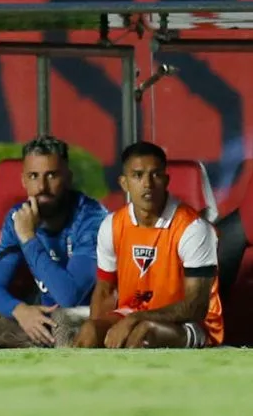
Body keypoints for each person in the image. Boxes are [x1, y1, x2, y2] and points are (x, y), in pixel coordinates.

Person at [0, 135, 108, 348]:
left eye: (52, 176)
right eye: (33, 176)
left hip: (91, 319)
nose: (42, 186)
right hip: (45, 320)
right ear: (23, 181)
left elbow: (70, 296)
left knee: (63, 319)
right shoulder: (18, 217)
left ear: (68, 178)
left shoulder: (91, 218)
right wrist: (20, 310)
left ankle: (72, 381)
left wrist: (29, 239)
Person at [75, 142, 224, 349]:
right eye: (138, 175)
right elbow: (105, 291)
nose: (147, 184)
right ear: (124, 183)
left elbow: (196, 306)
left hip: (191, 324)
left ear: (166, 180)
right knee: (89, 331)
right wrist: (100, 330)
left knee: (145, 333)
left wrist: (137, 319)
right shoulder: (112, 225)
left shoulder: (194, 229)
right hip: (132, 314)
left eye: (155, 175)